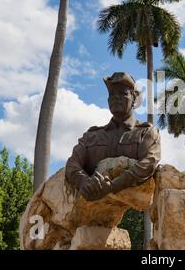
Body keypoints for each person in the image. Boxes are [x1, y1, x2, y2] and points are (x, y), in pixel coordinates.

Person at [65, 72, 161, 201]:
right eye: (112, 94)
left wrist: (112, 187)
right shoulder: (91, 136)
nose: (116, 98)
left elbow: (147, 164)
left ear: (135, 99)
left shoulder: (146, 133)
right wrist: (84, 182)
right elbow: (72, 165)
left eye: (123, 93)